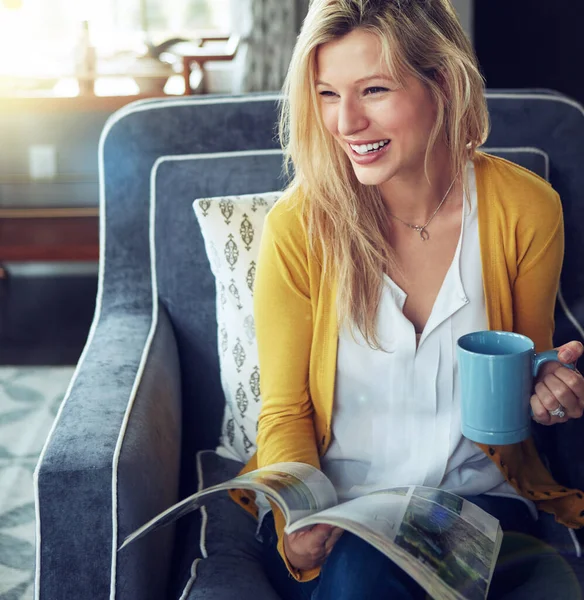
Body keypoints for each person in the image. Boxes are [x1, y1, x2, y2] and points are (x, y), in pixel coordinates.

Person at [230, 0, 584, 598]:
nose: (345, 123)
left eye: (372, 90)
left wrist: (551, 390)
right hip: (335, 513)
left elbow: (526, 368)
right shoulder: (299, 227)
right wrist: (296, 519)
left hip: (476, 505)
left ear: (441, 83)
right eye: (326, 94)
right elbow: (285, 411)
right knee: (360, 571)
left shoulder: (525, 208)